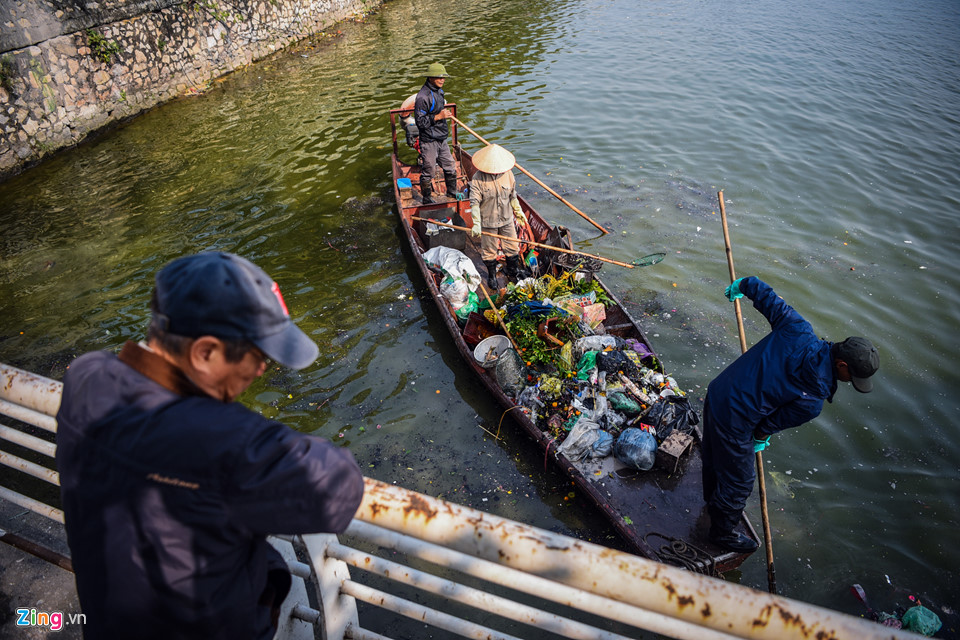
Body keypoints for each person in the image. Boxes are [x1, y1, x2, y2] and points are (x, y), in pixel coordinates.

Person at [55, 252, 365, 639]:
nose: (261, 369)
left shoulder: (86, 376)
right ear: (204, 352)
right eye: (257, 355)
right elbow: (338, 487)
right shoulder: (231, 444)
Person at [702, 276, 879, 553]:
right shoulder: (813, 401)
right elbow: (764, 427)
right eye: (852, 376)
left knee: (713, 455)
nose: (850, 381)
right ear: (842, 365)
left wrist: (742, 286)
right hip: (735, 418)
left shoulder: (798, 328)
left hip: (718, 392)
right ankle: (721, 534)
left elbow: (761, 291)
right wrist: (759, 438)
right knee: (739, 481)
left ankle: (711, 500)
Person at [468, 143, 531, 289]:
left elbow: (513, 196)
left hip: (507, 219)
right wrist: (476, 223)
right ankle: (491, 275)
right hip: (488, 221)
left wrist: (518, 211)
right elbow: (474, 203)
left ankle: (512, 270)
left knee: (512, 247)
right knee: (489, 251)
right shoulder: (478, 178)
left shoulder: (508, 174)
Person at [414, 62, 458, 204]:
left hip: (441, 138)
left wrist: (444, 114)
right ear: (430, 78)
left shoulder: (439, 91)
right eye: (439, 77)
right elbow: (420, 123)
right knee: (429, 171)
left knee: (450, 166)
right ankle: (427, 199)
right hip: (428, 140)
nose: (442, 80)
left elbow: (439, 110)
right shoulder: (422, 97)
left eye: (443, 77)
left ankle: (452, 193)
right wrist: (438, 117)